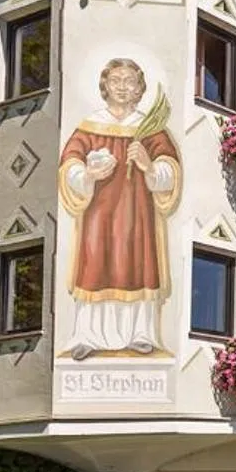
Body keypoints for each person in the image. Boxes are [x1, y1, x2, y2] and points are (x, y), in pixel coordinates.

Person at [58, 56, 181, 358]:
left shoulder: (151, 128)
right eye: (116, 81)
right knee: (94, 263)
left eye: (130, 82)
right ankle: (87, 336)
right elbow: (69, 162)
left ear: (140, 89)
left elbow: (171, 169)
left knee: (138, 263)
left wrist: (149, 165)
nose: (123, 87)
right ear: (105, 86)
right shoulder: (89, 126)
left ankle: (140, 333)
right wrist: (87, 173)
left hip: (138, 214)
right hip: (98, 214)